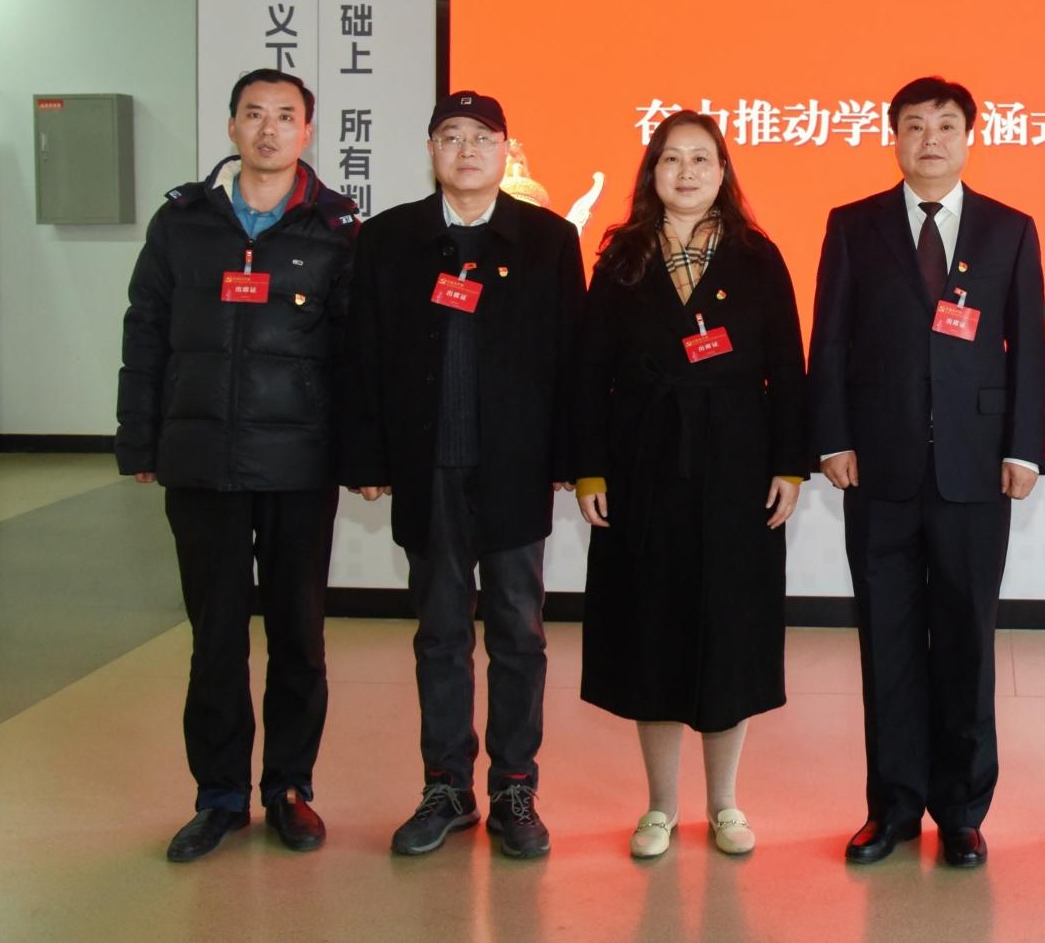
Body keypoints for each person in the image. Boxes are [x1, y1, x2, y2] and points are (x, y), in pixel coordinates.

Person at [116, 68, 358, 863]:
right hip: (203, 464)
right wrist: (138, 440)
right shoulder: (183, 222)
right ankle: (219, 795)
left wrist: (361, 453)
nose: (268, 129)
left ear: (307, 131)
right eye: (253, 114)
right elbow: (145, 331)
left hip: (298, 465)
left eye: (285, 116)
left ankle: (289, 787)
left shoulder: (335, 228)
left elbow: (357, 354)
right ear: (231, 128)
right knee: (215, 638)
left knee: (299, 637)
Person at [810, 76, 1045, 869]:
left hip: (976, 471)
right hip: (878, 465)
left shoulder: (1010, 228)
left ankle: (963, 811)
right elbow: (830, 339)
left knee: (968, 641)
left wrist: (1023, 448)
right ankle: (893, 807)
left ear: (969, 137)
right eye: (915, 125)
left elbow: (1028, 346)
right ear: (895, 137)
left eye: (947, 125)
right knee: (888, 641)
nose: (931, 139)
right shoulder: (853, 225)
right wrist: (832, 436)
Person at [341, 91, 585, 860]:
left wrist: (569, 460)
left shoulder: (547, 239)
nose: (468, 150)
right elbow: (362, 350)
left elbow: (573, 358)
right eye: (452, 136)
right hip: (428, 467)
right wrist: (368, 457)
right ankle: (446, 784)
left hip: (514, 468)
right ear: (431, 151)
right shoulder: (389, 238)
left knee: (519, 630)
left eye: (483, 137)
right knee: (441, 631)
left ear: (506, 151)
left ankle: (514, 786)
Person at [572, 110, 807, 859]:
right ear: (652, 171)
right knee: (652, 630)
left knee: (728, 630)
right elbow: (589, 371)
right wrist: (589, 466)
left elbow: (788, 368)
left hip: (738, 468)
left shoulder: (757, 256)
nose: (686, 172)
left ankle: (726, 803)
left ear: (723, 172)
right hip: (642, 466)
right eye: (671, 158)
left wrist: (790, 464)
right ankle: (660, 807)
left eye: (701, 159)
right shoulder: (623, 256)